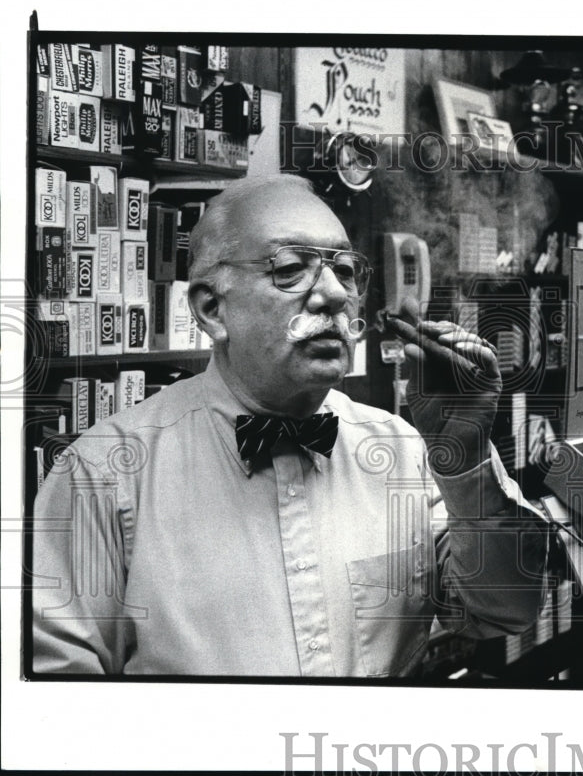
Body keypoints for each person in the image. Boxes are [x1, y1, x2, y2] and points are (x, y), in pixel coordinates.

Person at [30, 174, 547, 677]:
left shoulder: (404, 449)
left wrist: (465, 457)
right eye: (291, 269)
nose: (334, 295)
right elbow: (59, 703)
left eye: (345, 271)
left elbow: (503, 612)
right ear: (212, 309)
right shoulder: (100, 476)